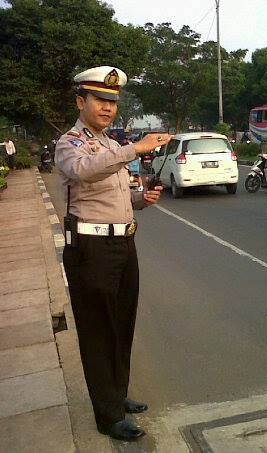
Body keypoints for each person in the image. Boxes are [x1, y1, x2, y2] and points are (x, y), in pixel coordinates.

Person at [54, 66, 172, 441]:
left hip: (123, 243)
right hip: (90, 249)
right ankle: (106, 415)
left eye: (112, 102)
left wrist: (141, 200)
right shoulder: (69, 143)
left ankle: (117, 396)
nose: (107, 108)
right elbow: (84, 173)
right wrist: (134, 148)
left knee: (122, 324)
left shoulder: (109, 145)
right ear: (81, 101)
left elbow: (113, 196)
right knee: (97, 331)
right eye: (100, 100)